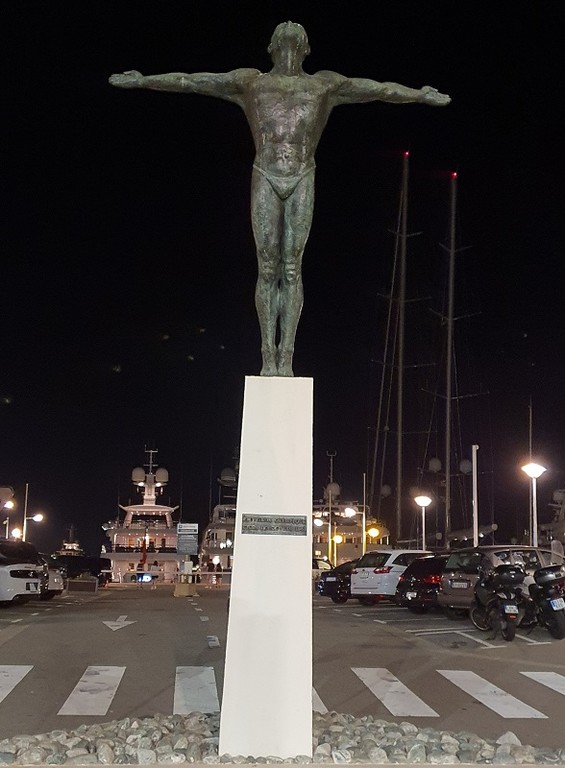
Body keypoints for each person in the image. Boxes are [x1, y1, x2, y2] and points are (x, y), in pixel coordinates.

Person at [109, 22, 451, 377]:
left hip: (301, 173)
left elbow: (380, 90)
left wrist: (419, 94)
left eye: (296, 35)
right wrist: (143, 80)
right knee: (268, 267)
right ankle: (266, 354)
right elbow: (193, 81)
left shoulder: (324, 85)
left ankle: (286, 355)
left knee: (291, 268)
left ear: (306, 48)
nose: (289, 31)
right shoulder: (251, 82)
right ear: (271, 47)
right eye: (283, 34)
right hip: (266, 173)